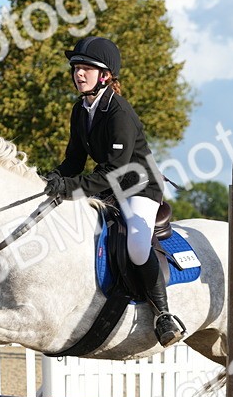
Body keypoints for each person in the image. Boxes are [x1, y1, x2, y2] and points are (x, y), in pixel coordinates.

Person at [42, 36, 186, 347]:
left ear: (105, 76)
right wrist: (48, 181)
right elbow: (74, 161)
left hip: (138, 187)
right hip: (108, 186)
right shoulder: (81, 109)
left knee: (136, 242)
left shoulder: (119, 111)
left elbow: (114, 171)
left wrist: (69, 188)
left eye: (86, 69)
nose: (79, 74)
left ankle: (163, 315)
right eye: (76, 68)